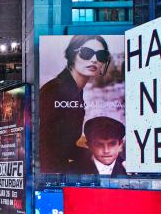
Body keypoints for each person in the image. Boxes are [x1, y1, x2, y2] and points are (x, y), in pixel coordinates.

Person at [39, 35, 111, 173]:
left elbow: (63, 144)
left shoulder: (76, 91)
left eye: (101, 55)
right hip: (51, 174)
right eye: (87, 52)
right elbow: (43, 144)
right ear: (72, 55)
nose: (94, 59)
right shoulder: (55, 89)